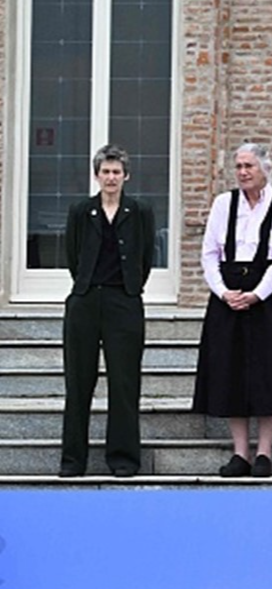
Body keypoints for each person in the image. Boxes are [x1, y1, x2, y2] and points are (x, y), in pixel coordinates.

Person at [192, 143, 272, 478]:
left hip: (271, 297)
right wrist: (222, 291)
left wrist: (258, 294)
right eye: (239, 166)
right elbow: (209, 253)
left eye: (249, 166)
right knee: (231, 372)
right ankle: (239, 452)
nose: (243, 172)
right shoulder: (223, 204)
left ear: (265, 168)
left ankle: (264, 452)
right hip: (229, 295)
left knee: (269, 374)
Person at [59, 145, 156, 479]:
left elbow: (145, 256)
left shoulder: (140, 211)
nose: (111, 177)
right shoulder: (80, 211)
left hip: (124, 302)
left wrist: (128, 289)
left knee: (125, 383)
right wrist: (87, 287)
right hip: (85, 302)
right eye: (105, 171)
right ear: (97, 175)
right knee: (78, 382)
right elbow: (73, 256)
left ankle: (123, 459)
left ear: (125, 176)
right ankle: (73, 461)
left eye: (117, 172)